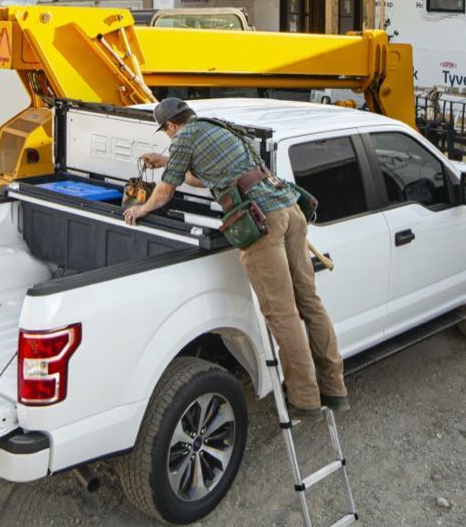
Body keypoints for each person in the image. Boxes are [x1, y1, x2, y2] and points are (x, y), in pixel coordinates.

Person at [123, 97, 348, 419]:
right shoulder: (220, 128)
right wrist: (165, 160)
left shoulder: (184, 137)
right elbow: (207, 177)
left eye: (167, 132)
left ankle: (306, 399)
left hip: (262, 219)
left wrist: (141, 209)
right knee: (309, 301)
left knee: (281, 312)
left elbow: (165, 191)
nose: (169, 137)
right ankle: (334, 388)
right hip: (290, 210)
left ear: (171, 125)